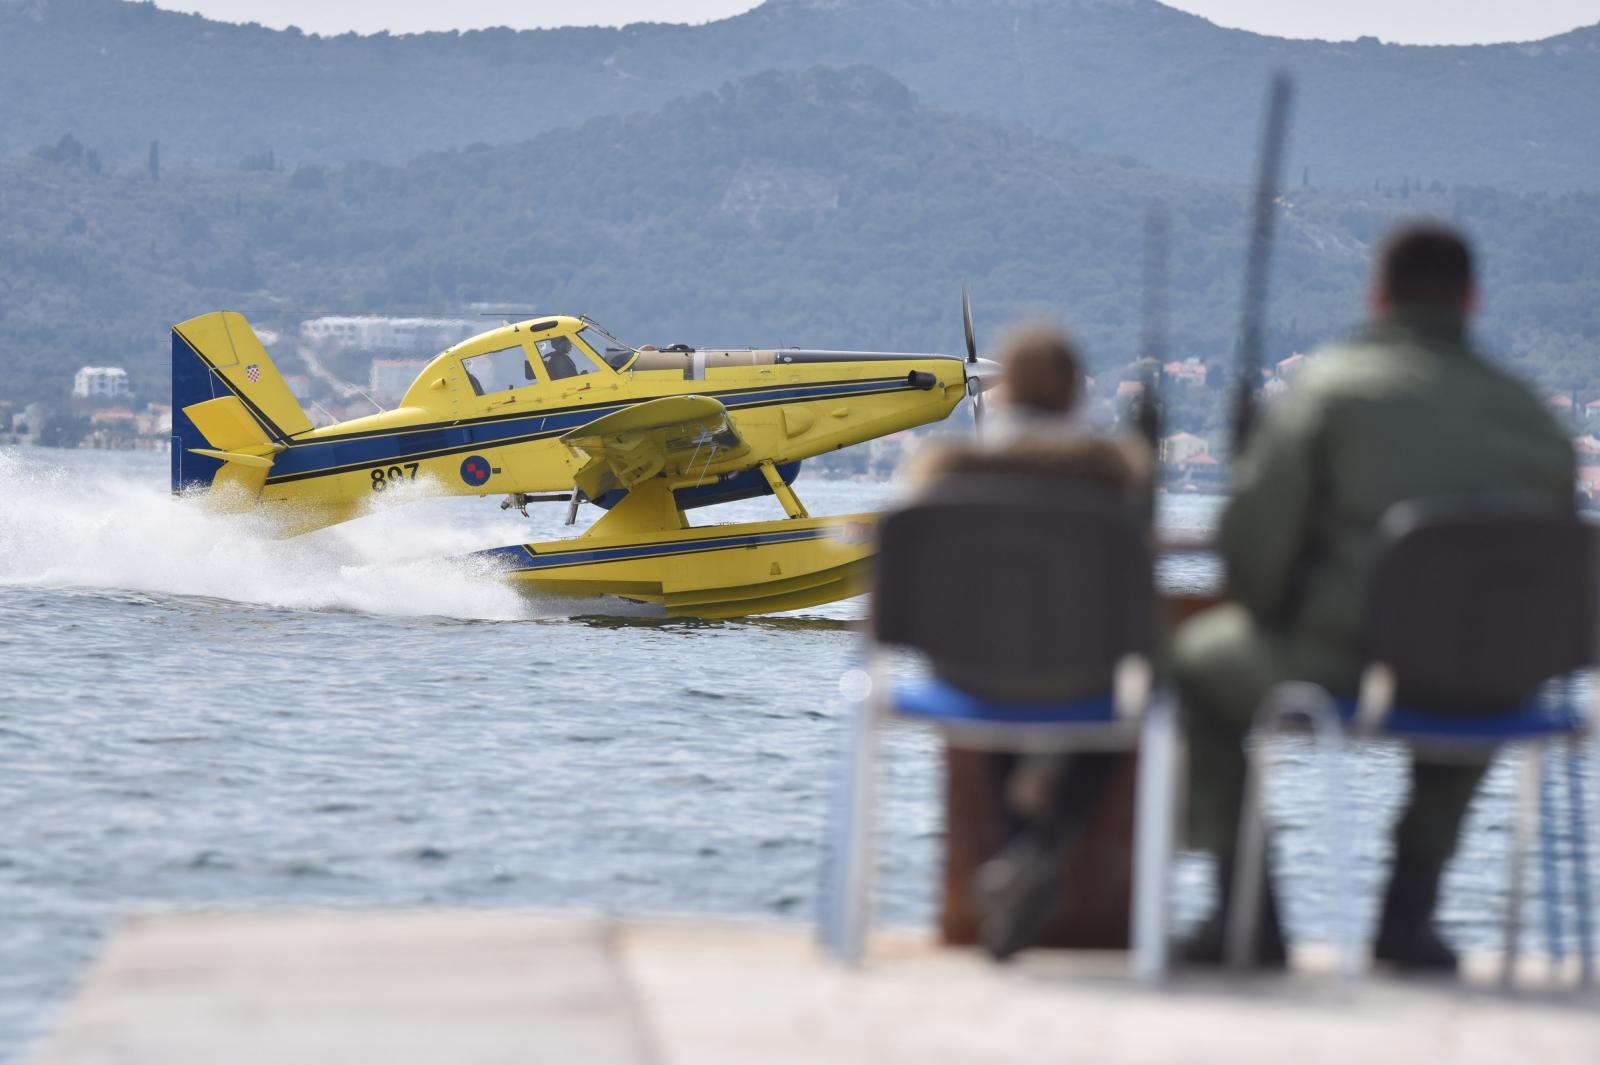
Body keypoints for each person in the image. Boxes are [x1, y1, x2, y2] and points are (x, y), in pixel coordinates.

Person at [1175, 222, 1576, 970]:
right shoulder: (1533, 419)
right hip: (1486, 672)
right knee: (1487, 667)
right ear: (1472, 300)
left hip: (1340, 655)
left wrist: (1272, 610)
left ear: (1377, 294)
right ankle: (1408, 913)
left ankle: (1248, 913)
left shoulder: (1331, 389)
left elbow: (1255, 546)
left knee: (1198, 662)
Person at [910, 323, 1152, 959]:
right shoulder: (1109, 480)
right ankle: (1038, 853)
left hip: (969, 672)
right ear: (1076, 396)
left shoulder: (950, 473)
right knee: (1115, 706)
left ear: (1005, 390)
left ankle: (1021, 863)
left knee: (998, 688)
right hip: (1082, 675)